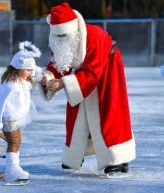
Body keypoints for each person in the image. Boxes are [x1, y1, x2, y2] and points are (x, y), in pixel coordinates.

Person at [39, 2, 136, 176]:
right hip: (84, 73)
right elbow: (59, 64)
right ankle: (75, 155)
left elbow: (93, 72)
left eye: (64, 35)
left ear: (71, 30)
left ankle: (116, 157)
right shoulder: (61, 39)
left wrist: (63, 83)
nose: (61, 39)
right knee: (76, 113)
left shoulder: (94, 36)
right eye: (58, 36)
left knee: (109, 111)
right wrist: (48, 77)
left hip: (107, 68)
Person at [0, 41, 41, 185]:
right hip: (10, 120)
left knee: (16, 142)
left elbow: (31, 79)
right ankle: (12, 170)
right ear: (19, 69)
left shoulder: (19, 82)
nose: (30, 74)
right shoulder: (11, 85)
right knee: (14, 142)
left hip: (15, 120)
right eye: (28, 70)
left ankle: (13, 168)